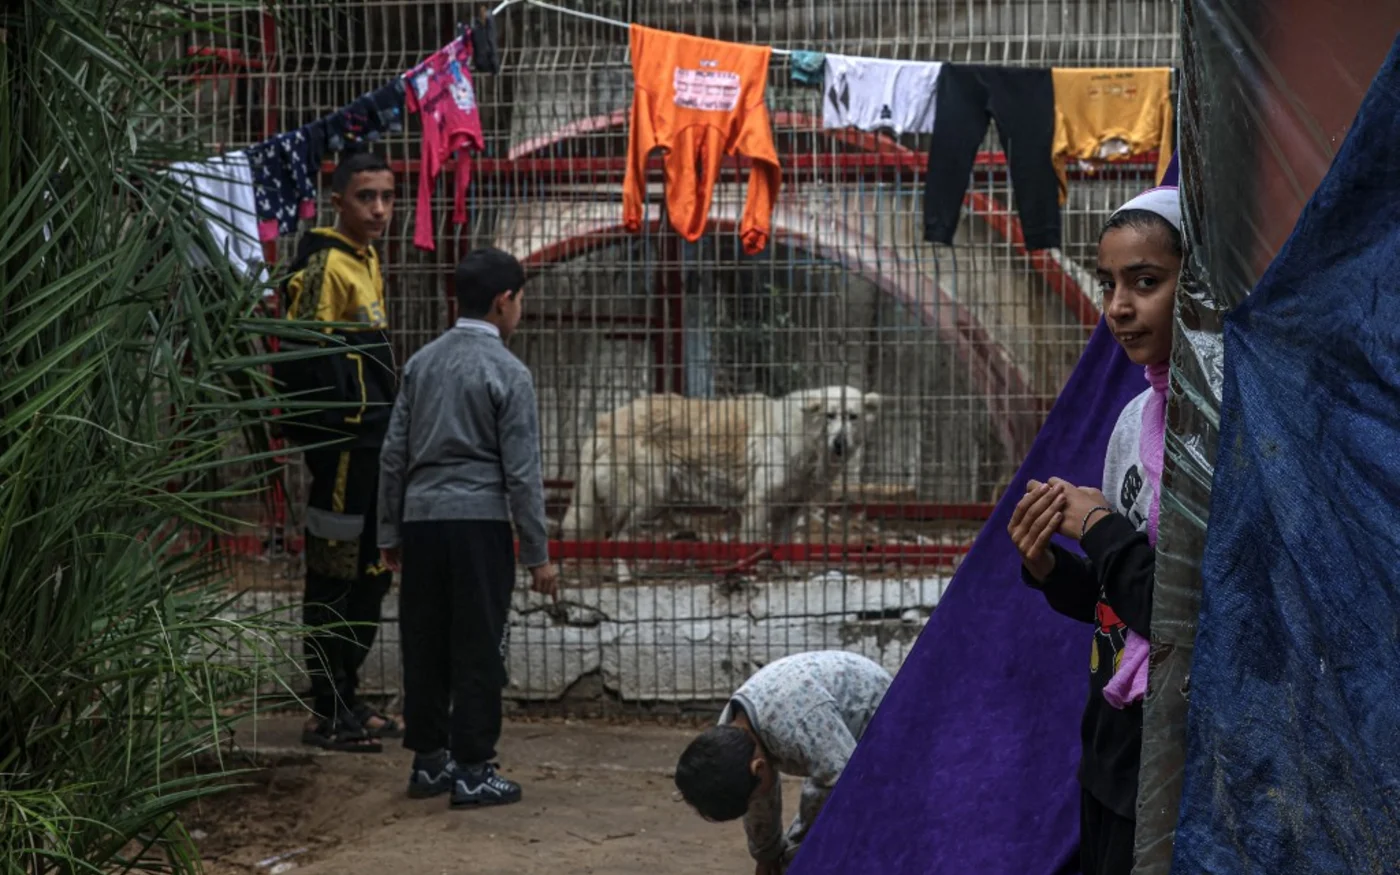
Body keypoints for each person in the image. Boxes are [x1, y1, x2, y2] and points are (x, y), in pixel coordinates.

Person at [1007, 186, 1182, 875]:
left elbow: (1183, 615)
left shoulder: (1227, 433)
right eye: (1108, 282)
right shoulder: (1134, 421)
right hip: (1111, 739)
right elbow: (1120, 604)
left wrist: (1103, 528)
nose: (1118, 306)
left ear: (1196, 285)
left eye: (1146, 281)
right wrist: (1051, 568)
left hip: (1180, 745)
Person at [376, 247, 560, 808]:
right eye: (521, 300)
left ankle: (430, 762)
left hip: (422, 523)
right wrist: (537, 553)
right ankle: (475, 769)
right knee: (480, 646)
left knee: (425, 641)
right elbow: (522, 474)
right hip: (479, 525)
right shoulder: (509, 371)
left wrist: (389, 531)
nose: (521, 310)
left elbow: (392, 455)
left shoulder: (421, 363)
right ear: (503, 302)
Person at [276, 151, 402, 753]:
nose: (379, 209)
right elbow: (301, 357)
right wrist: (336, 431)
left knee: (371, 573)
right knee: (334, 573)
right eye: (365, 197)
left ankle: (348, 695)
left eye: (386, 196)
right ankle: (327, 708)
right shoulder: (325, 264)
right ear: (338, 201)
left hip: (374, 445)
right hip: (345, 449)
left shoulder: (366, 257)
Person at [674, 651, 893, 874]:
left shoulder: (799, 726)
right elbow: (759, 801)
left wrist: (796, 852)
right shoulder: (731, 735)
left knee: (847, 822)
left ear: (758, 766)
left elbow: (844, 785)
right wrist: (766, 855)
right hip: (824, 719)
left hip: (881, 710)